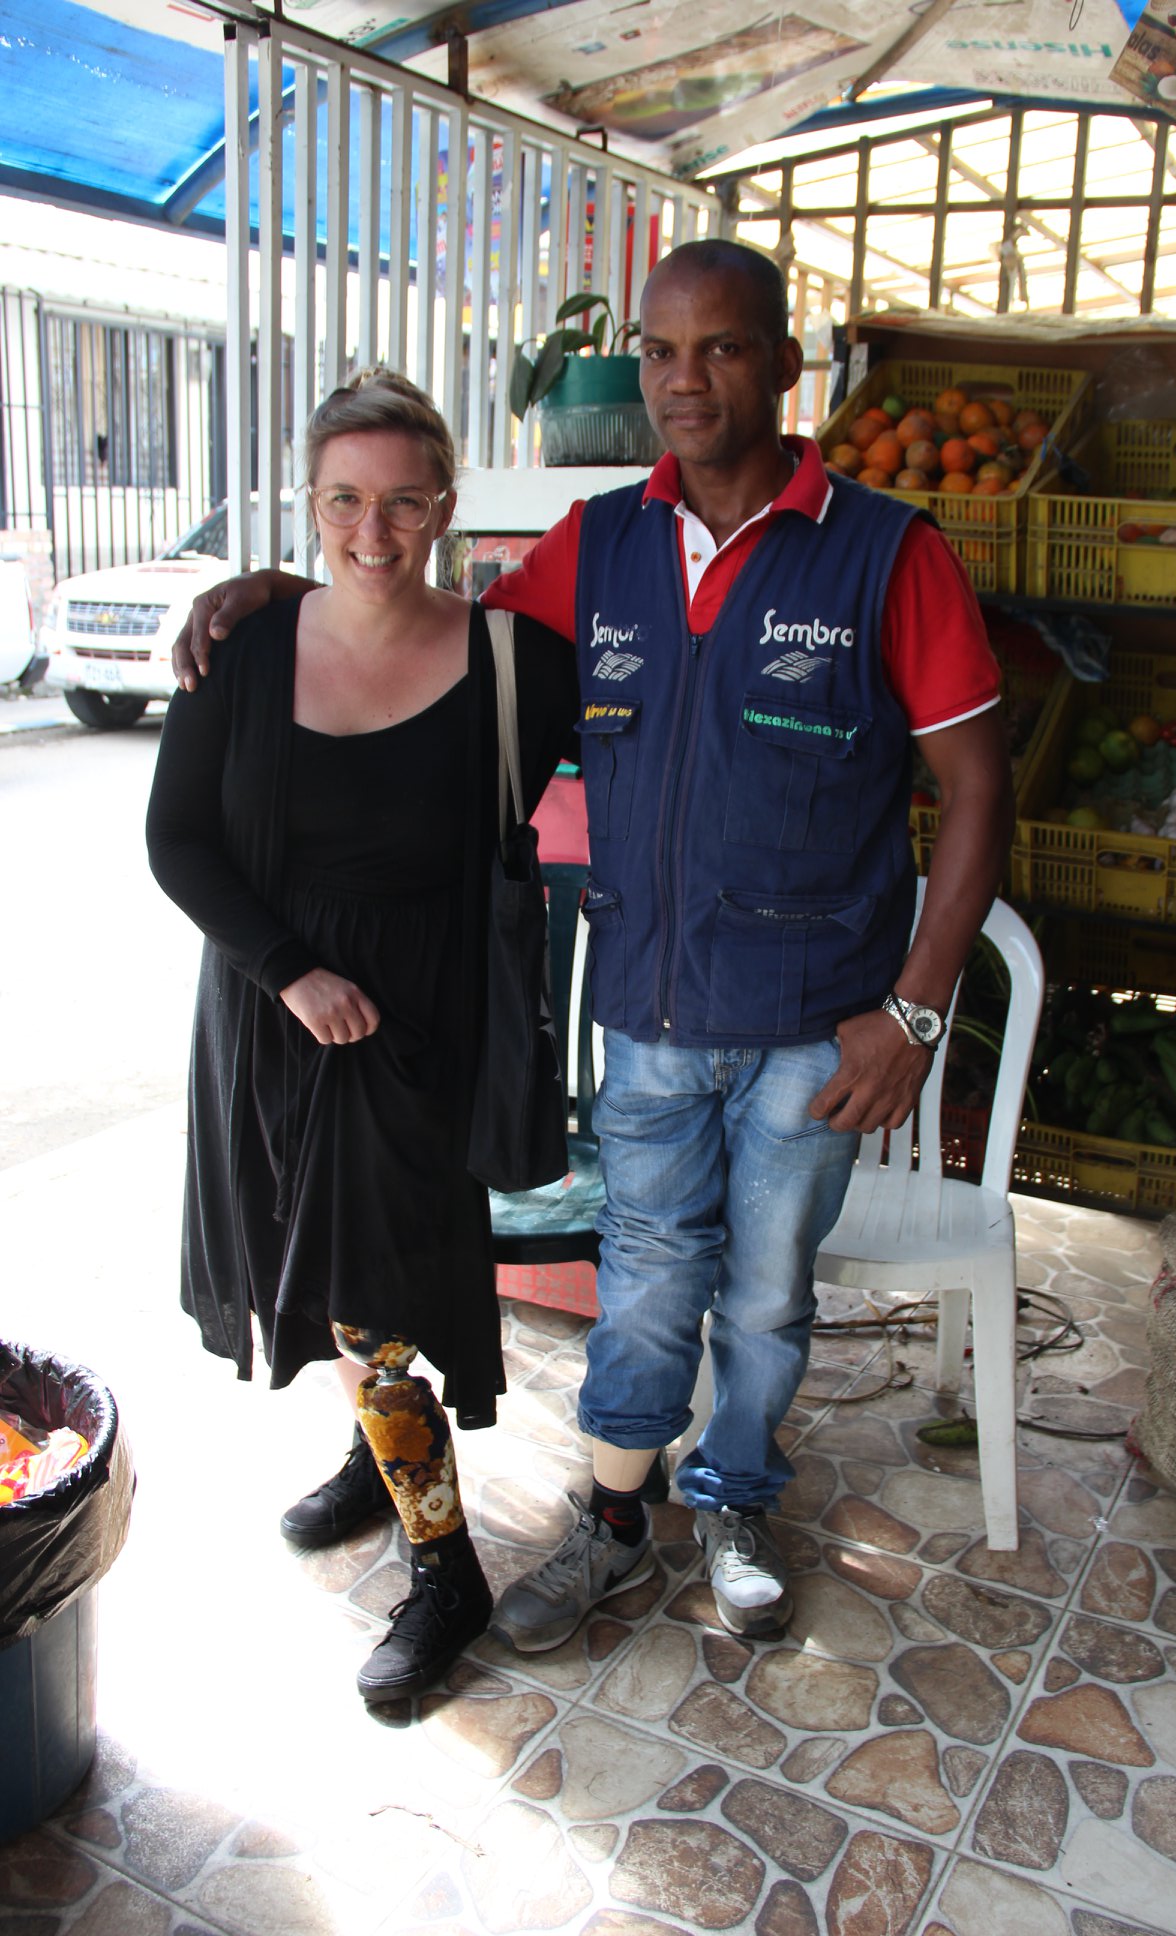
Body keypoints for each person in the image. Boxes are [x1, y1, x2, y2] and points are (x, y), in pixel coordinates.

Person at [172, 239, 1014, 1655]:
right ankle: (620, 1515)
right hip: (651, 1007)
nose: (686, 381)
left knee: (764, 1288)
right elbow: (423, 627)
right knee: (646, 1277)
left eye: (725, 348)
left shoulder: (887, 551)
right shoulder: (606, 543)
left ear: (785, 365)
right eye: (662, 351)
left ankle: (737, 1491)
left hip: (819, 1015)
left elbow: (981, 790)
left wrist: (917, 1013)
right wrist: (284, 589)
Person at [146, 367, 577, 1703]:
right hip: (275, 1019)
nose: (372, 532)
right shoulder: (244, 649)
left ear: (445, 505)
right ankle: (370, 1459)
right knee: (340, 1287)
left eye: (402, 502)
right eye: (344, 501)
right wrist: (290, 972)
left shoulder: (518, 664)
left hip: (416, 1028)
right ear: (310, 504)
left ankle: (446, 1572)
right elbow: (178, 840)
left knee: (369, 1296)